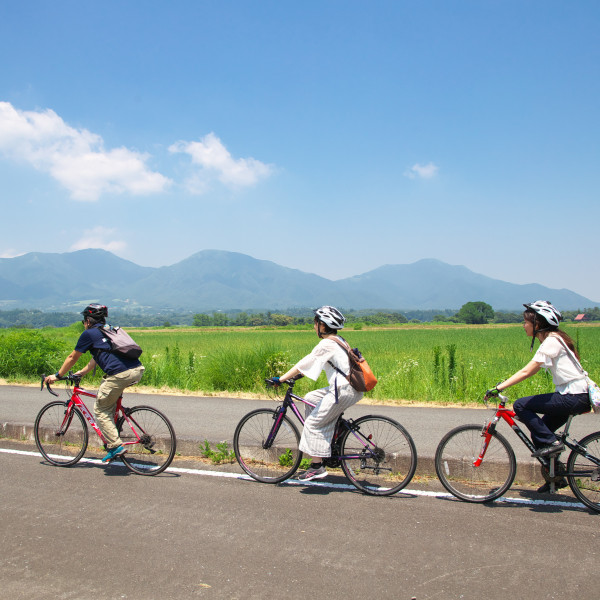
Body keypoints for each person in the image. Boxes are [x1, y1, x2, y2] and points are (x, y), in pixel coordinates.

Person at [487, 300, 590, 492]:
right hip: (575, 396)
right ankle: (556, 477)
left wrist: (498, 388)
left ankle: (552, 444)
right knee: (539, 432)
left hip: (573, 396)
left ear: (538, 324)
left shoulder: (552, 341)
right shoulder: (556, 339)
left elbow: (528, 371)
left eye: (526, 322)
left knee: (521, 406)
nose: (523, 326)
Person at [44, 304, 145, 463]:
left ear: (88, 321)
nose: (84, 324)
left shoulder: (89, 334)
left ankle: (115, 445)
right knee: (109, 403)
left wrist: (57, 375)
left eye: (83, 321)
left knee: (100, 409)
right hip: (137, 370)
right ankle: (115, 431)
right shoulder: (108, 329)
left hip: (120, 374)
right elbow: (96, 358)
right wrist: (81, 373)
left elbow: (72, 357)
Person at [275, 306, 363, 481]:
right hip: (348, 388)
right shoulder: (339, 340)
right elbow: (313, 365)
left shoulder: (327, 343)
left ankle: (317, 466)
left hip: (342, 391)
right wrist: (297, 377)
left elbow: (306, 361)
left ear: (323, 325)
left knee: (313, 424)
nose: (314, 326)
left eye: (315, 323)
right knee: (310, 398)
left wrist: (281, 379)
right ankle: (328, 438)